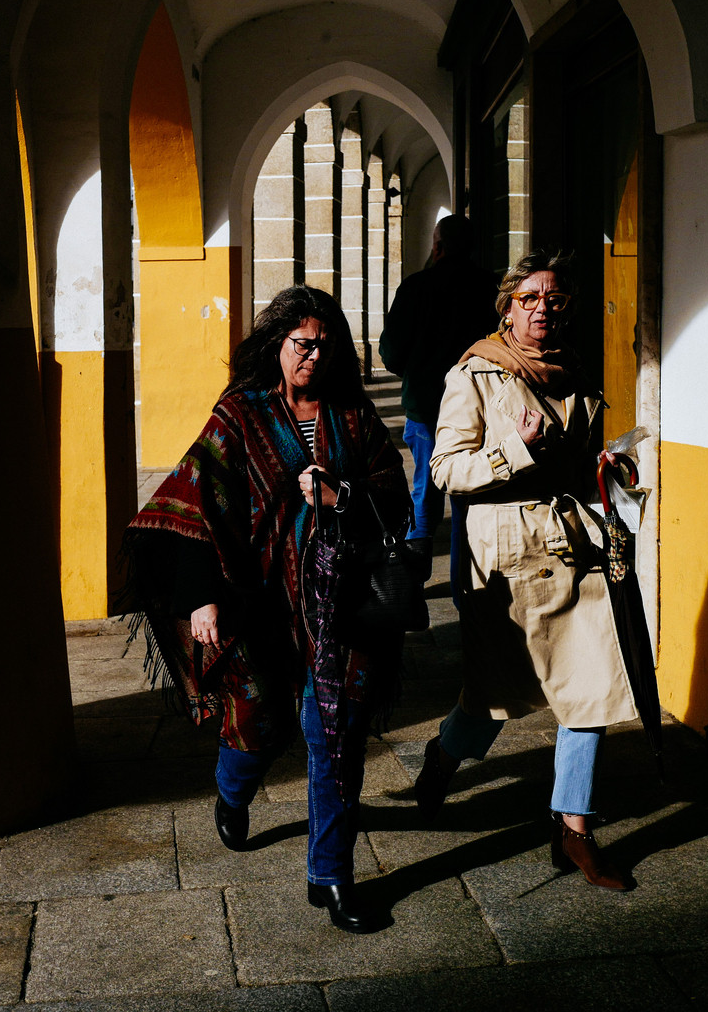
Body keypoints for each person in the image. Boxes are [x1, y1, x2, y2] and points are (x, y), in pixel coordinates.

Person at [124, 285, 411, 933]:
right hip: (257, 606)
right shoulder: (241, 414)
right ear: (278, 346)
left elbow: (394, 498)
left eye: (324, 345)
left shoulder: (355, 417)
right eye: (301, 344)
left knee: (333, 741)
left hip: (339, 610)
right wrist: (199, 595)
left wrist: (341, 494)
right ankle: (233, 791)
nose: (313, 356)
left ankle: (331, 877)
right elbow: (194, 496)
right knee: (257, 722)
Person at [415, 249, 640, 890]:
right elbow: (446, 471)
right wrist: (513, 447)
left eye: (555, 299)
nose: (543, 309)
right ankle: (443, 756)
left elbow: (577, 457)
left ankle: (573, 830)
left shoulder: (573, 370)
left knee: (592, 687)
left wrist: (610, 470)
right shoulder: (476, 374)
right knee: (494, 698)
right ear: (508, 307)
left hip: (572, 542)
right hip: (508, 555)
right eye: (530, 298)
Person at [377, 213, 499, 563]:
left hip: (427, 406)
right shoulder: (489, 288)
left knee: (425, 491)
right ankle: (467, 588)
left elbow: (391, 353)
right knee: (470, 494)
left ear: (438, 246)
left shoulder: (416, 287)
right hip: (482, 407)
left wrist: (418, 370)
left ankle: (415, 577)